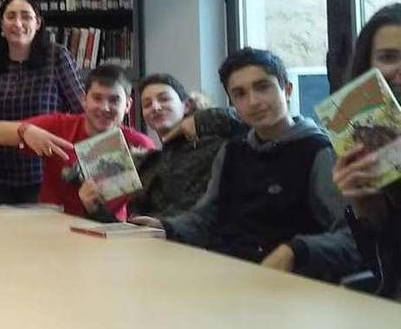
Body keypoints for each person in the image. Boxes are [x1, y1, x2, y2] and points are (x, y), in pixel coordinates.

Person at [131, 48, 360, 282]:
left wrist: (297, 250)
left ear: (287, 89)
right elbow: (206, 216)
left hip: (288, 283)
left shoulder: (318, 151)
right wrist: (165, 227)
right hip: (227, 274)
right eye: (239, 94)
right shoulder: (232, 152)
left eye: (263, 87)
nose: (253, 102)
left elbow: (352, 236)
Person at [0, 64, 154, 220]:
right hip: (54, 227)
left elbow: (154, 203)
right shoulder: (59, 126)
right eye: (97, 98)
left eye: (114, 100)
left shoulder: (140, 145)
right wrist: (25, 131)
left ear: (128, 105)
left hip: (109, 231)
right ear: (84, 100)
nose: (104, 108)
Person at [0, 0, 84, 204]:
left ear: (38, 24)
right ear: (1, 25)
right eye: (11, 16)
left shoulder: (57, 57)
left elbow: (82, 114)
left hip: (46, 174)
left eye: (26, 16)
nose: (18, 23)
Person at [332, 3, 401, 299]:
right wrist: (364, 207)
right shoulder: (362, 136)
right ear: (368, 65)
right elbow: (382, 270)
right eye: (388, 57)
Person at [129, 74, 234, 216]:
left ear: (187, 106)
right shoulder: (150, 164)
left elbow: (245, 119)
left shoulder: (213, 145)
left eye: (164, 99)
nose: (155, 107)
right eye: (147, 104)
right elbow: (135, 221)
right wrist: (96, 208)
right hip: (154, 235)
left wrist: (200, 120)